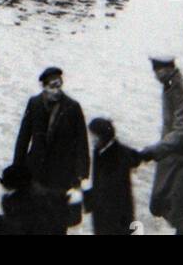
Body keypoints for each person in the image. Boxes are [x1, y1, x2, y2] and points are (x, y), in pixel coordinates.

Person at [9, 66, 89, 235]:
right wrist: (17, 170)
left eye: (59, 85)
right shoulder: (34, 103)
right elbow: (23, 139)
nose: (57, 91)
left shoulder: (73, 108)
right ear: (44, 87)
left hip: (61, 178)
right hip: (35, 174)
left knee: (57, 225)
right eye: (52, 86)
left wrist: (80, 179)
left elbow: (82, 145)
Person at [139, 55, 183, 235]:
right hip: (176, 154)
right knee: (173, 206)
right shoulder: (171, 84)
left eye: (157, 71)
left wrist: (153, 150)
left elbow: (181, 132)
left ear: (168, 68)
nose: (155, 75)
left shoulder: (181, 90)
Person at [84, 117, 141, 235]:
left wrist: (88, 198)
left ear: (103, 137)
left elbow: (108, 187)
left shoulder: (119, 155)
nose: (92, 139)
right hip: (103, 213)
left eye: (94, 136)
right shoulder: (99, 150)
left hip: (116, 215)